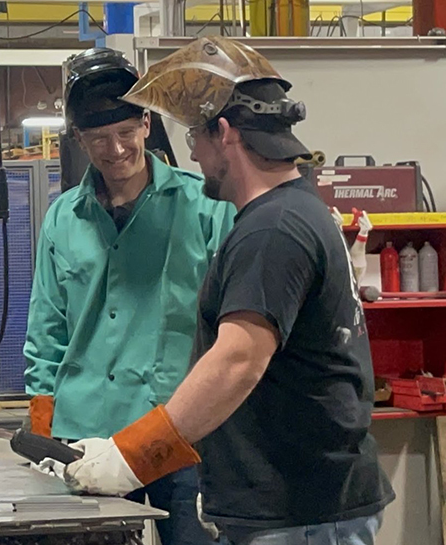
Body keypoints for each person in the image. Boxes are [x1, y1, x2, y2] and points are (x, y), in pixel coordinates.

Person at [55, 36, 396, 545]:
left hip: (297, 514)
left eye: (196, 134)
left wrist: (133, 456)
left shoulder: (272, 231)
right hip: (292, 506)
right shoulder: (288, 213)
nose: (189, 150)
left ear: (226, 133)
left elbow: (236, 360)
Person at [23, 47, 235, 545]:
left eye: (124, 133)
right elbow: (47, 327)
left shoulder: (203, 205)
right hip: (86, 432)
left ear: (145, 124)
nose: (115, 150)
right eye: (98, 138)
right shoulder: (62, 218)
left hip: (177, 430)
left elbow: (233, 325)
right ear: (78, 139)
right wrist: (43, 426)